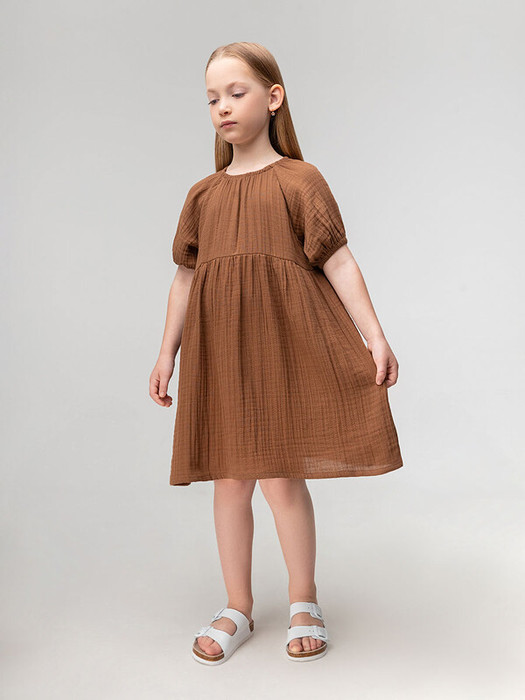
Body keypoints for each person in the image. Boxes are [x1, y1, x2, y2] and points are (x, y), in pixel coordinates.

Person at [149, 42, 404, 665]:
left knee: (281, 478)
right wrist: (166, 354)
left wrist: (374, 335)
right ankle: (237, 605)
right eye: (212, 98)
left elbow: (338, 261)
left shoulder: (300, 180)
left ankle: (302, 600)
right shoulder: (202, 195)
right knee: (229, 480)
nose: (222, 107)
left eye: (235, 93)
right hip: (219, 354)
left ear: (273, 97)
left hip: (278, 350)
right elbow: (185, 278)